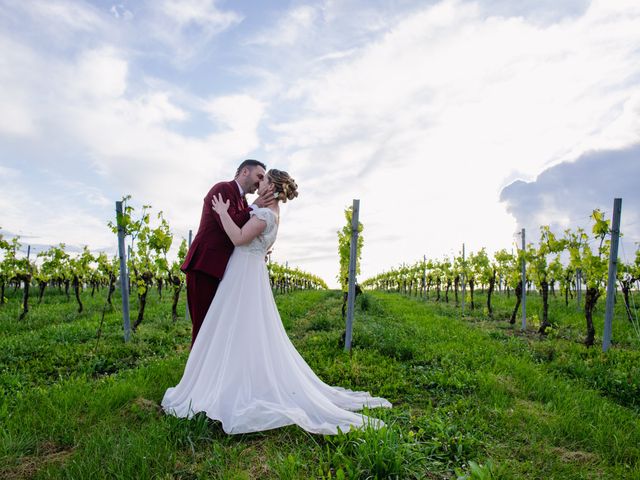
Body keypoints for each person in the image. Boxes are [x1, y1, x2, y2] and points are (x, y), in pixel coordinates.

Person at [162, 169, 392, 435]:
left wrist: (223, 213)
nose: (260, 184)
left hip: (243, 276)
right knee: (239, 329)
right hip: (246, 274)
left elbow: (238, 238)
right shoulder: (267, 213)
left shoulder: (264, 215)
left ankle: (227, 383)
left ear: (273, 188)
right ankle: (225, 376)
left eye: (264, 181)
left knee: (235, 326)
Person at [181, 159, 275, 348]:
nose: (260, 182)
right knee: (203, 326)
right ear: (244, 172)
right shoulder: (222, 189)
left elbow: (241, 232)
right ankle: (196, 375)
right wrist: (254, 207)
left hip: (223, 270)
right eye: (259, 176)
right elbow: (231, 225)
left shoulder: (242, 200)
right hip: (205, 266)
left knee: (215, 326)